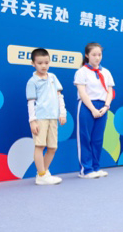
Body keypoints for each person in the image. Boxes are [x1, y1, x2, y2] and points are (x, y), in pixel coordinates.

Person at [74, 42, 114, 179]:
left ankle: (96, 167)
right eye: (94, 55)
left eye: (99, 55)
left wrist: (106, 106)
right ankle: (86, 170)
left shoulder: (106, 72)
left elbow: (110, 91)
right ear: (87, 55)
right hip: (86, 106)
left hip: (103, 107)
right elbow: (82, 92)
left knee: (97, 139)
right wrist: (92, 109)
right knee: (85, 138)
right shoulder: (81, 72)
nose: (97, 58)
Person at [26, 48, 65, 185]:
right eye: (40, 63)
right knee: (40, 146)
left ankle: (43, 173)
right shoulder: (32, 82)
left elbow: (59, 96)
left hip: (53, 118)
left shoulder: (53, 77)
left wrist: (62, 113)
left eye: (46, 62)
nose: (44, 66)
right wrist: (33, 121)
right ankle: (42, 175)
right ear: (33, 64)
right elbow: (31, 102)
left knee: (53, 147)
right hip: (40, 118)